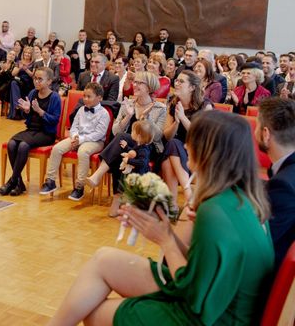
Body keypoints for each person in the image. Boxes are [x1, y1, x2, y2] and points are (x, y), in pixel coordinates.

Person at [49, 111, 273, 326]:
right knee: (102, 258)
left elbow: (195, 294)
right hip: (217, 305)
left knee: (95, 314)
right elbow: (207, 269)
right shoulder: (243, 199)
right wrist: (164, 230)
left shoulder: (215, 212)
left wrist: (165, 239)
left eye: (191, 141)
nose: (185, 146)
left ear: (208, 151)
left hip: (209, 317)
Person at [86, 72, 167, 216]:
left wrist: (145, 118)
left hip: (148, 147)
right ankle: (117, 197)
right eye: (134, 82)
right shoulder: (127, 104)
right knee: (121, 147)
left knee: (122, 141)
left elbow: (159, 136)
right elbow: (115, 130)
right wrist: (129, 115)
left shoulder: (159, 108)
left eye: (139, 83)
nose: (134, 85)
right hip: (127, 146)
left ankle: (102, 179)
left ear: (149, 87)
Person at [0, 67, 61, 196]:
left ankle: (12, 181)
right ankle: (19, 183)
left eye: (40, 79)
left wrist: (40, 111)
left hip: (46, 133)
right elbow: (28, 117)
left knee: (23, 145)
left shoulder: (55, 97)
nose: (36, 81)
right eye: (35, 78)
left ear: (49, 81)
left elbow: (54, 120)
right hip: (32, 130)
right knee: (12, 144)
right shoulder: (32, 93)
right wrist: (26, 111)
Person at [40, 82, 109, 201]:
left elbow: (99, 133)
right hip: (77, 138)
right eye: (84, 96)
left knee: (82, 152)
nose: (85, 99)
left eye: (89, 97)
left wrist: (81, 140)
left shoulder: (104, 113)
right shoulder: (81, 109)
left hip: (95, 141)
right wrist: (75, 137)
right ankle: (51, 180)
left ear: (99, 98)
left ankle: (79, 186)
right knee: (56, 148)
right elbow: (74, 127)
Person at [161, 70, 213, 209]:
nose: (176, 83)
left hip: (198, 151)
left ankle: (174, 202)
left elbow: (202, 136)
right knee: (172, 145)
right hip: (177, 149)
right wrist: (176, 122)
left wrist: (183, 118)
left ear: (192, 87)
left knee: (170, 154)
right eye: (176, 80)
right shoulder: (173, 104)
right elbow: (166, 135)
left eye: (181, 81)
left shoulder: (205, 105)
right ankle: (181, 196)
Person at [256, 97, 295, 270]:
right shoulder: (286, 172)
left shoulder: (283, 186)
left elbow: (260, 244)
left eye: (256, 125)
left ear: (266, 134)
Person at [8, 46, 36, 119]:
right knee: (13, 83)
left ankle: (18, 109)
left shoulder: (34, 63)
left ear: (31, 55)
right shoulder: (19, 62)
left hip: (28, 82)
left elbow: (33, 76)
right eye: (25, 53)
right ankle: (17, 108)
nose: (26, 54)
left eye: (29, 53)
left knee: (14, 83)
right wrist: (20, 68)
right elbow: (13, 74)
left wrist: (26, 69)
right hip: (19, 81)